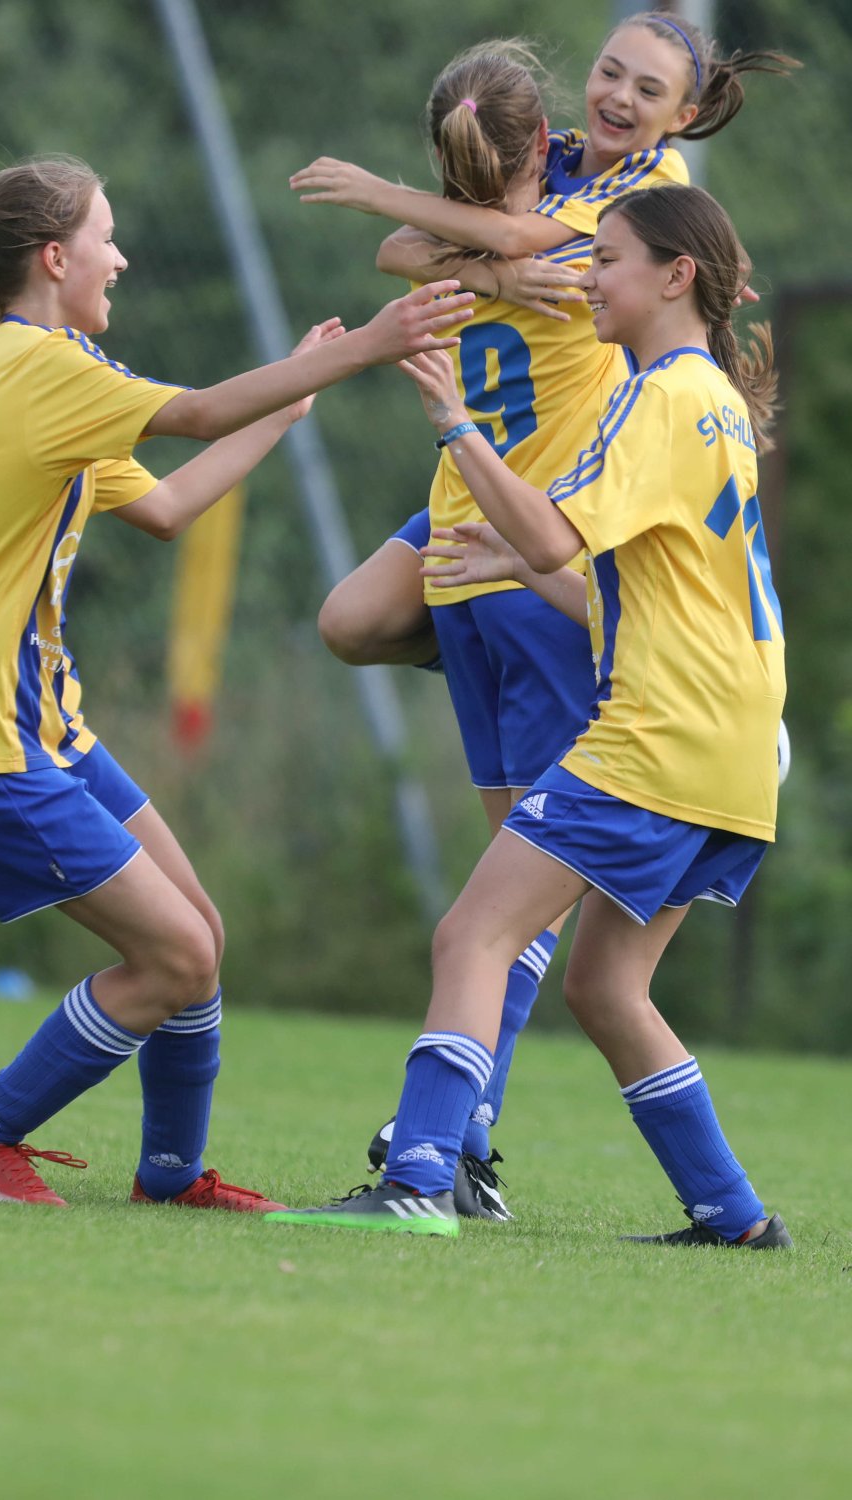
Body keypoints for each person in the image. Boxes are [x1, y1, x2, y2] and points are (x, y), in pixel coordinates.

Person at [0, 155, 474, 1209]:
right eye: (106, 237)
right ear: (55, 258)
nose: (120, 257)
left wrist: (285, 409)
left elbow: (164, 508)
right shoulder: (42, 371)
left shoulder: (28, 371)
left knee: (197, 938)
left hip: (38, 725)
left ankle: (169, 1177)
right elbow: (201, 411)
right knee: (170, 957)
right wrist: (373, 345)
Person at [290, 16, 795, 1213]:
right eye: (607, 69)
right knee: (603, 987)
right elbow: (614, 582)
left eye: (604, 264)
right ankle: (732, 1218)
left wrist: (456, 425)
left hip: (657, 727)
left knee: (483, 928)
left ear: (673, 271)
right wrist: (488, 270)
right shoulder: (692, 393)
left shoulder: (658, 378)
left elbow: (562, 542)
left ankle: (432, 1166)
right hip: (719, 728)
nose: (588, 277)